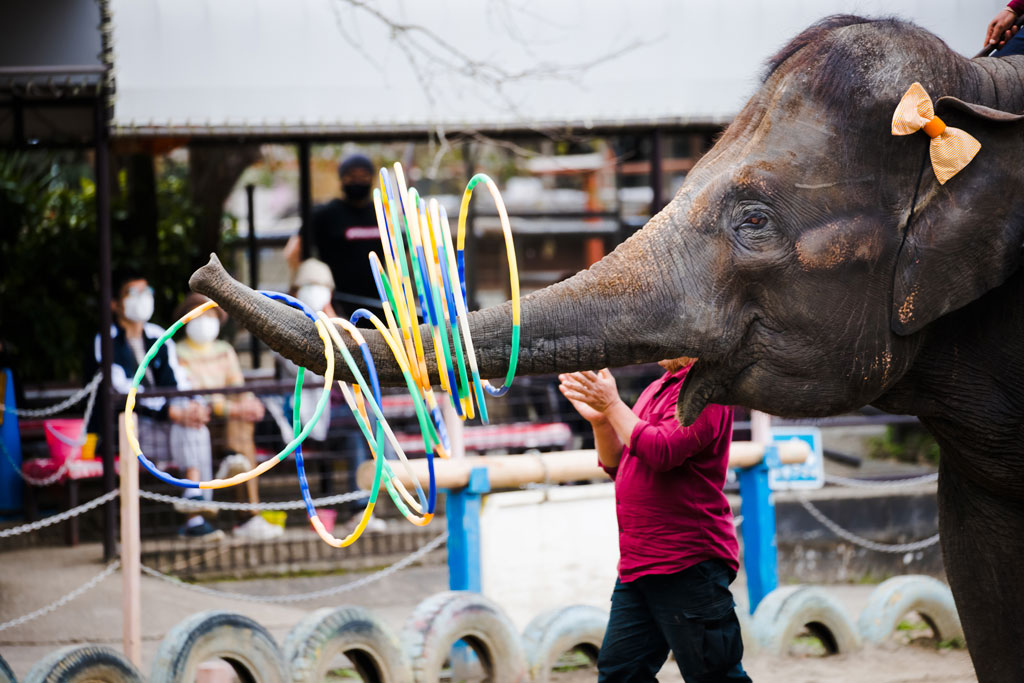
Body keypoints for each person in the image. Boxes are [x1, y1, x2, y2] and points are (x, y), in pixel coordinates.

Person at [558, 360, 749, 682]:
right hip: (639, 564)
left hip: (687, 561)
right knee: (621, 673)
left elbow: (662, 450)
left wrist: (613, 404)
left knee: (714, 674)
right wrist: (602, 421)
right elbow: (618, 464)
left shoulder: (710, 390)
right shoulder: (658, 387)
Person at [86, 269, 223, 540]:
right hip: (127, 432)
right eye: (133, 293)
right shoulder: (106, 340)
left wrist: (192, 406)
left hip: (164, 426)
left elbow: (177, 381)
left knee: (195, 427)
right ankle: (194, 513)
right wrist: (171, 412)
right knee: (189, 427)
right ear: (115, 304)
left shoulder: (159, 335)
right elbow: (121, 391)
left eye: (147, 292)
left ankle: (193, 504)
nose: (143, 298)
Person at [273, 258, 384, 532]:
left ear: (330, 292)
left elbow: (356, 359)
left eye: (320, 286)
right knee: (362, 423)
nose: (314, 291)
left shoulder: (341, 322)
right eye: (308, 286)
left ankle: (358, 507)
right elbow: (307, 370)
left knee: (357, 432)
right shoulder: (283, 324)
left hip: (341, 415)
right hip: (307, 413)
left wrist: (333, 321)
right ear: (296, 290)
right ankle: (360, 504)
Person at [173, 292, 283, 541]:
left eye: (210, 315)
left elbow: (238, 387)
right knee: (238, 430)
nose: (204, 321)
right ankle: (246, 506)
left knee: (242, 426)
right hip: (199, 422)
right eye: (199, 315)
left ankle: (248, 511)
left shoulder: (225, 350)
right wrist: (233, 408)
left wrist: (249, 403)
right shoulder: (176, 352)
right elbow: (195, 395)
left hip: (230, 423)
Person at [283, 153, 384, 319]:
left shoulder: (381, 214)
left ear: (371, 178)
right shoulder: (325, 215)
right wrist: (302, 286)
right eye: (352, 176)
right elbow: (293, 250)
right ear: (342, 179)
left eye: (363, 176)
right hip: (334, 306)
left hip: (379, 304)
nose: (357, 181)